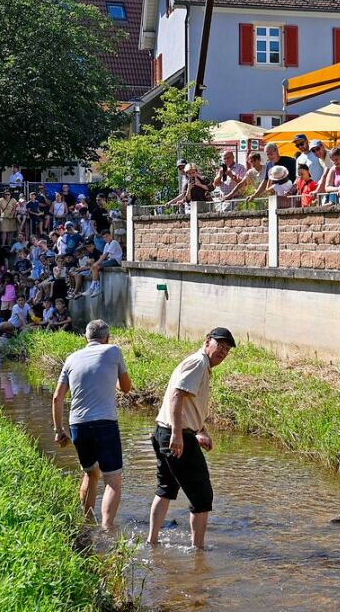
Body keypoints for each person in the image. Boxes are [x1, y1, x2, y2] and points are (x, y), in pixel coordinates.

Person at [148, 327, 236, 550]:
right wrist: (178, 434)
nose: (223, 352)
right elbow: (177, 394)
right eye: (220, 346)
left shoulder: (201, 364)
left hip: (165, 431)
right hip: (175, 435)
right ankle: (198, 552)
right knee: (202, 496)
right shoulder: (198, 362)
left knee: (166, 489)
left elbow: (185, 403)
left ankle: (153, 542)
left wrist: (200, 430)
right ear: (207, 341)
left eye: (227, 350)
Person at [52, 320, 132, 530]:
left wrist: (59, 431)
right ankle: (106, 529)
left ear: (85, 338)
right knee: (112, 479)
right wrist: (113, 377)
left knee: (90, 473)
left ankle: (86, 522)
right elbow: (126, 387)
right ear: (107, 337)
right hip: (105, 423)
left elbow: (57, 398)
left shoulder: (71, 358)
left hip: (78, 425)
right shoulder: (113, 351)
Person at [85, 230, 123, 297]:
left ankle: (92, 288)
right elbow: (103, 256)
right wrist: (95, 264)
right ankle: (96, 288)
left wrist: (96, 263)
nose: (105, 238)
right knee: (95, 267)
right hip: (110, 260)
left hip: (116, 261)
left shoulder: (114, 242)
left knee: (96, 266)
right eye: (104, 237)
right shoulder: (106, 244)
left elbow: (106, 254)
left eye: (107, 236)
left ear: (110, 235)